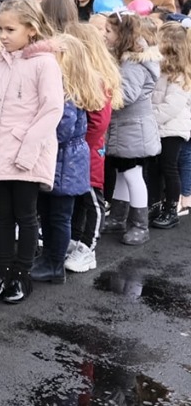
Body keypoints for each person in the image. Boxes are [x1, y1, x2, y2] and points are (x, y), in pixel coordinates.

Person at [0, 0, 63, 304]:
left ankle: (22, 275)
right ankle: (3, 272)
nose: (3, 35)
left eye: (10, 29)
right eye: (1, 29)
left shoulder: (45, 63)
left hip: (26, 155)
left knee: (25, 215)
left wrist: (26, 151)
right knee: (3, 216)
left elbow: (51, 110)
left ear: (31, 30)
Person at [30, 35, 98, 285]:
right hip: (62, 159)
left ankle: (55, 264)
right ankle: (48, 257)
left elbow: (63, 129)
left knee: (59, 216)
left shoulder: (66, 90)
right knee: (48, 213)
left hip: (64, 161)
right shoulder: (65, 85)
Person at [101, 12, 161, 246]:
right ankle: (118, 217)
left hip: (133, 128)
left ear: (122, 34)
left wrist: (102, 91)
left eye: (108, 31)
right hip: (127, 127)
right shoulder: (127, 60)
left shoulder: (132, 63)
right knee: (122, 172)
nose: (104, 35)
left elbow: (126, 95)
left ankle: (139, 225)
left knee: (133, 175)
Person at [64, 23, 119, 274]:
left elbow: (98, 123)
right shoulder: (80, 77)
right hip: (80, 149)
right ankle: (75, 239)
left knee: (92, 199)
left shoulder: (96, 80)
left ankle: (89, 247)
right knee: (77, 197)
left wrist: (79, 143)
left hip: (89, 150)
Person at [148, 22, 191, 229]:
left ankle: (171, 209)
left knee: (169, 167)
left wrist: (151, 120)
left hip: (172, 129)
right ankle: (156, 204)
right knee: (155, 168)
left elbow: (171, 106)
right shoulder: (161, 69)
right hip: (159, 127)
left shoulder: (179, 74)